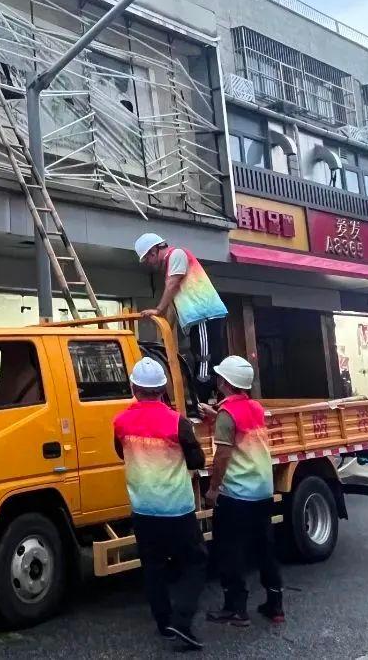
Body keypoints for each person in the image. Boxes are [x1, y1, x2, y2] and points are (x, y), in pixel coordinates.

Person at [114, 358, 207, 651]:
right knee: (195, 560)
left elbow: (121, 452)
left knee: (152, 566)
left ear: (133, 387)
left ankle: (164, 623)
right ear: (163, 389)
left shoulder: (121, 422)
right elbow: (196, 460)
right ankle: (183, 619)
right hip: (177, 508)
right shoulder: (176, 421)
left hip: (143, 508)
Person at [200, 356, 284, 627]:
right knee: (264, 548)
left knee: (230, 550)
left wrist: (213, 489)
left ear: (225, 382)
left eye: (219, 377)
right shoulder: (255, 407)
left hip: (237, 494)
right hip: (262, 490)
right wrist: (217, 416)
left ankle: (236, 609)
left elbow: (223, 454)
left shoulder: (227, 414)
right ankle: (275, 605)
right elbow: (240, 425)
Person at [135, 233, 228, 399]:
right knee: (204, 359)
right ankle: (211, 399)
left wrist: (158, 310)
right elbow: (173, 304)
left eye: (147, 258)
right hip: (200, 318)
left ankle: (204, 401)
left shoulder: (177, 254)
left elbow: (172, 285)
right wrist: (166, 333)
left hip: (203, 316)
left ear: (153, 251)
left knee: (204, 360)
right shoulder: (173, 265)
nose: (148, 263)